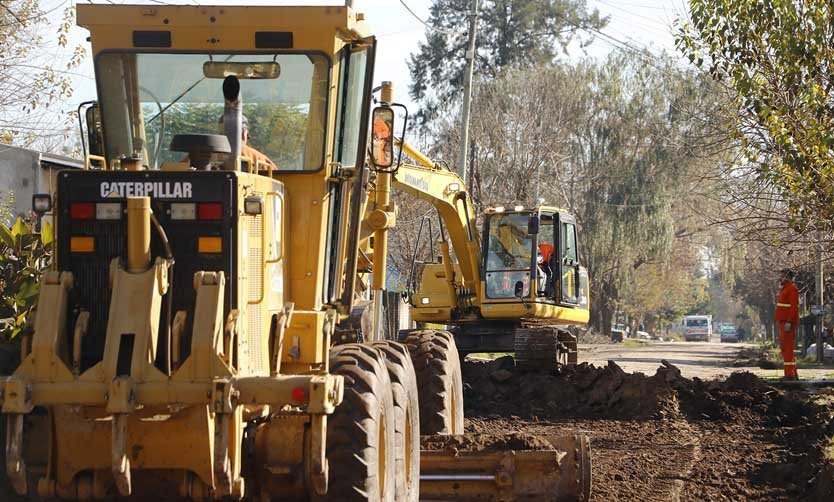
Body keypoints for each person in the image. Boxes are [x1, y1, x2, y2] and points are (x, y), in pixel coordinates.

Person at [775, 268, 800, 379]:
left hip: (787, 323)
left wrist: (789, 322)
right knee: (785, 348)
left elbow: (794, 307)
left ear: (788, 277)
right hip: (783, 322)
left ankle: (790, 375)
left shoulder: (792, 289)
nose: (780, 278)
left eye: (782, 275)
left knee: (788, 348)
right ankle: (791, 374)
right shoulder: (785, 288)